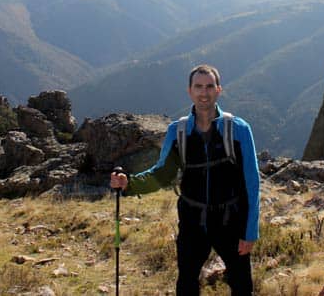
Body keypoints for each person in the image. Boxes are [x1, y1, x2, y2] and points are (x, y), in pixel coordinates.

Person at [110, 64, 260, 295]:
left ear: (219, 90)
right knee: (187, 283)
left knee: (241, 284)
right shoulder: (178, 132)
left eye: (210, 86)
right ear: (189, 91)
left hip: (231, 220)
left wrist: (250, 232)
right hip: (192, 222)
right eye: (198, 86)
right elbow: (162, 174)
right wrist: (129, 183)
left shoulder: (238, 129)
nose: (204, 92)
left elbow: (252, 184)